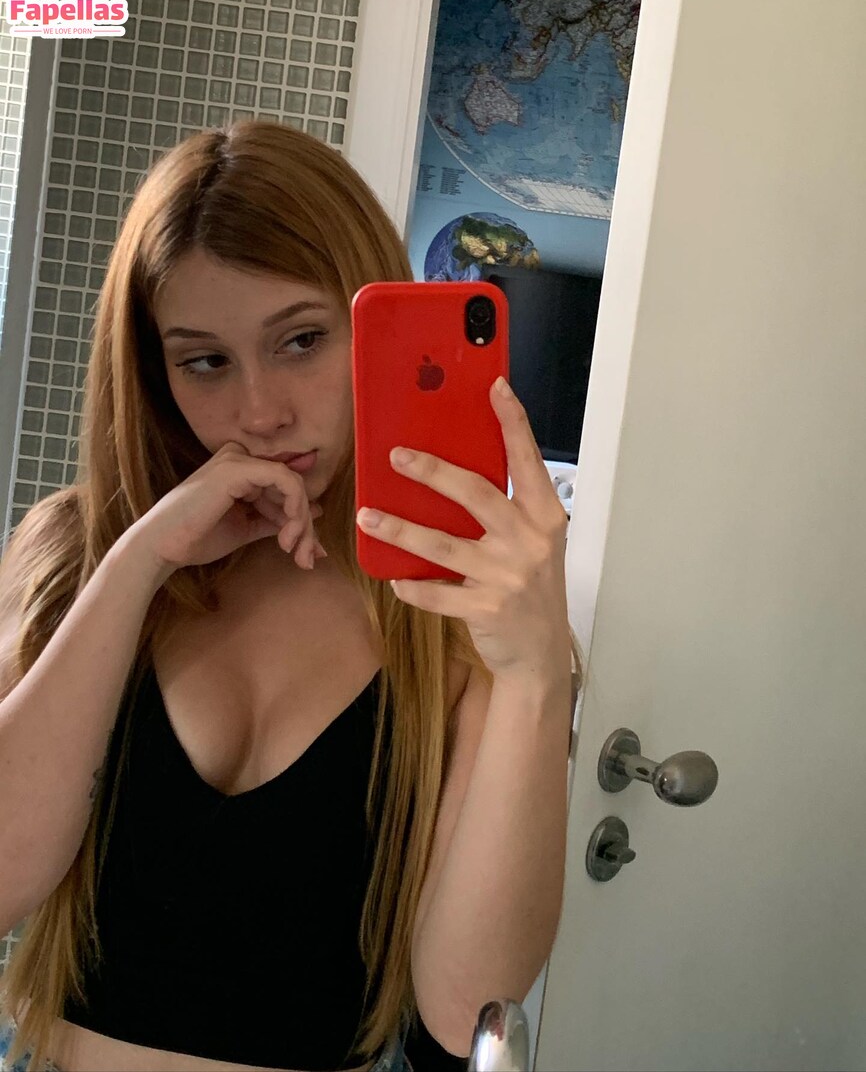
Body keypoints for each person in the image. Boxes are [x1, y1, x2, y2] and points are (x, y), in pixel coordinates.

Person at [0, 120, 579, 1072]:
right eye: (205, 362)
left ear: (375, 326)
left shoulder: (455, 617)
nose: (260, 412)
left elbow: (465, 1005)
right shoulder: (77, 554)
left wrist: (536, 680)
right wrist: (138, 562)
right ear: (153, 372)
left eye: (302, 341)